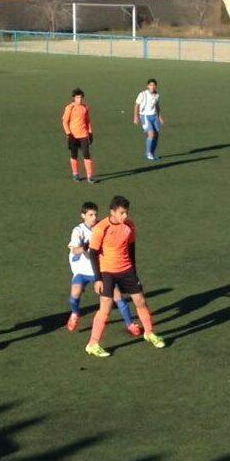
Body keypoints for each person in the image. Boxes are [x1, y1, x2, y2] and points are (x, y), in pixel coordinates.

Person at [84, 195, 166, 357]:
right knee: (106, 306)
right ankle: (92, 344)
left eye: (126, 212)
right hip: (107, 272)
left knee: (140, 301)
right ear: (112, 212)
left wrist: (134, 271)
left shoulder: (129, 225)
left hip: (126, 270)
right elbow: (93, 253)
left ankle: (149, 333)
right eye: (122, 213)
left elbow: (131, 248)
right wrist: (98, 279)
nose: (125, 216)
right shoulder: (101, 228)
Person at [66, 201, 143, 338]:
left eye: (95, 215)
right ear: (83, 216)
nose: (94, 217)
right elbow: (75, 250)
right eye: (90, 215)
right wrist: (85, 247)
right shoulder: (78, 231)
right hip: (82, 271)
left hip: (101, 270)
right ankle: (75, 314)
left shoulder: (102, 227)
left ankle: (130, 324)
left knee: (118, 298)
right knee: (74, 295)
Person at [62, 88, 96, 184]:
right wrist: (68, 134)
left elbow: (87, 121)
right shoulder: (70, 108)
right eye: (77, 97)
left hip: (83, 135)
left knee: (86, 154)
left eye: (81, 97)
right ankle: (75, 174)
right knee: (74, 155)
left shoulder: (85, 108)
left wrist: (90, 132)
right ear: (74, 98)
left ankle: (90, 176)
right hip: (73, 136)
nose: (79, 99)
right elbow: (65, 122)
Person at [133, 78, 164, 161]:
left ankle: (152, 153)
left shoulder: (157, 95)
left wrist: (159, 117)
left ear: (156, 86)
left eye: (154, 85)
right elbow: (136, 105)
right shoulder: (142, 94)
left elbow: (157, 106)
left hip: (154, 117)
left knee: (156, 135)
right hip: (145, 116)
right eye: (150, 85)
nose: (152, 86)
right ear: (147, 86)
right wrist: (136, 117)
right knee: (151, 134)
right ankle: (148, 153)